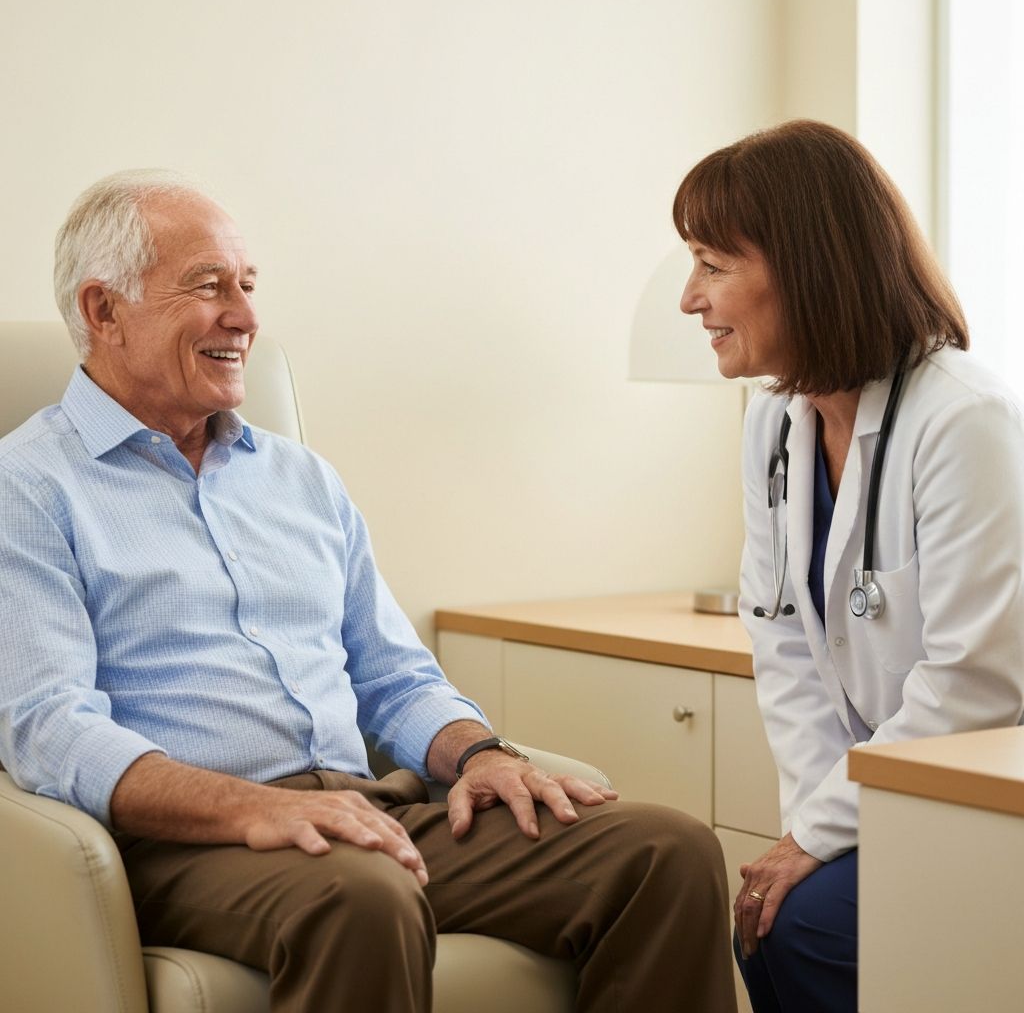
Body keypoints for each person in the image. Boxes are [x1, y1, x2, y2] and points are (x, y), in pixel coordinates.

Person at [0, 170, 738, 1013]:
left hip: (368, 812)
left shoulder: (300, 478)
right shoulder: (28, 487)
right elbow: (51, 729)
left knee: (667, 853)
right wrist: (249, 810)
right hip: (190, 843)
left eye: (247, 286)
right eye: (209, 288)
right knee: (362, 893)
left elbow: (392, 676)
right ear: (103, 311)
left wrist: (481, 753)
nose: (244, 316)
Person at [674, 120, 1024, 1012]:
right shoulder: (774, 422)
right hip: (888, 794)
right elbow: (783, 643)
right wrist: (813, 832)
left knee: (803, 926)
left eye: (713, 265)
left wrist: (820, 836)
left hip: (985, 795)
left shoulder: (963, 421)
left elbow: (974, 686)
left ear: (804, 266)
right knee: (769, 911)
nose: (689, 298)